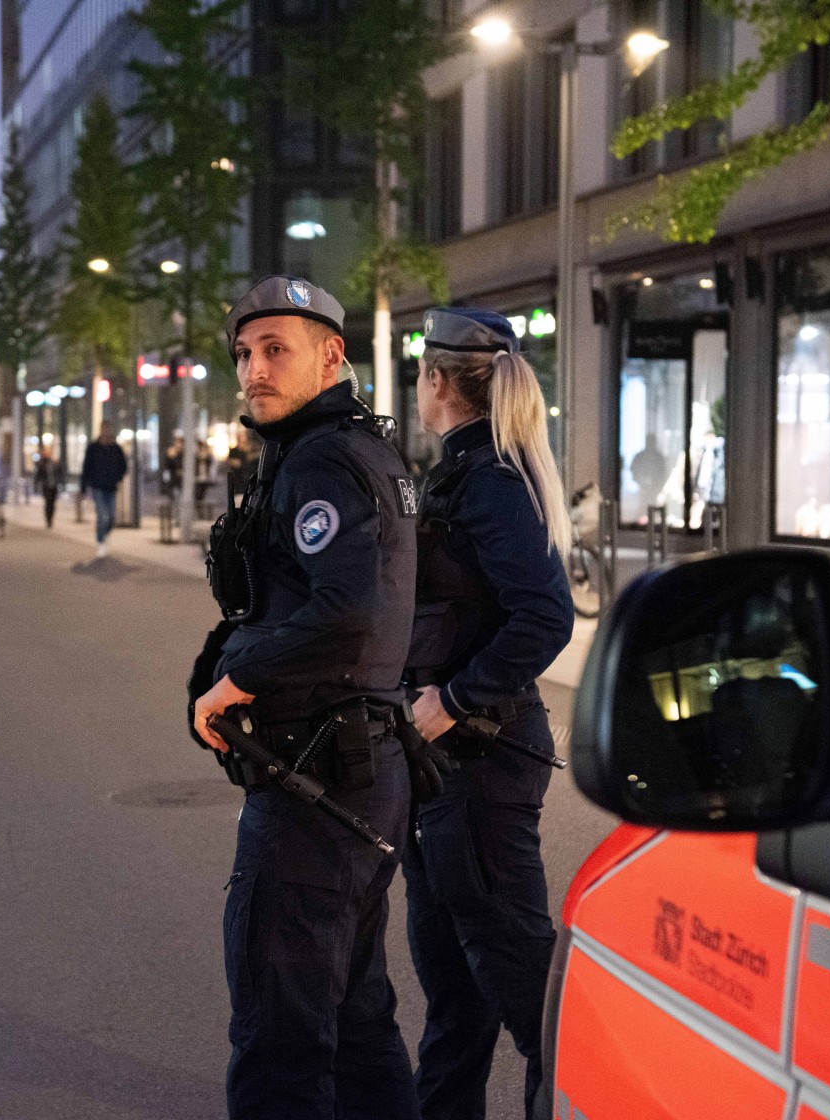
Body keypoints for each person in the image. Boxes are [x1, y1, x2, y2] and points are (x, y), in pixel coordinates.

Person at [189, 276, 433, 1120]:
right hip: (356, 770)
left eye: (275, 350)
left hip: (317, 782)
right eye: (245, 354)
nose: (253, 370)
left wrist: (235, 683)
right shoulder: (351, 449)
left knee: (279, 1038)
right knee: (357, 1018)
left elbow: (348, 611)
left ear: (332, 355)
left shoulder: (325, 458)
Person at [402, 308, 576, 1120]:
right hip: (450, 765)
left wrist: (454, 699)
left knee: (526, 992)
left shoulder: (489, 482)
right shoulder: (462, 471)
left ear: (437, 382)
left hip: (480, 758)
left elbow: (545, 615)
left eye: (418, 373)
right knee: (456, 991)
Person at [80, 423, 128, 558]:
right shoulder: (93, 448)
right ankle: (100, 542)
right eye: (104, 429)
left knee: (112, 516)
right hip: (98, 487)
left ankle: (105, 535)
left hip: (111, 487)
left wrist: (118, 477)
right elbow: (86, 467)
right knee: (101, 516)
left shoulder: (116, 448)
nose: (106, 432)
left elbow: (123, 465)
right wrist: (84, 486)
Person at [33, 445, 63, 529]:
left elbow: (60, 473)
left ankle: (51, 519)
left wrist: (59, 481)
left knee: (52, 503)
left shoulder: (55, 463)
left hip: (54, 486)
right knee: (48, 502)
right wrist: (36, 485)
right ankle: (48, 520)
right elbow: (38, 476)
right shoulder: (41, 464)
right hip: (46, 486)